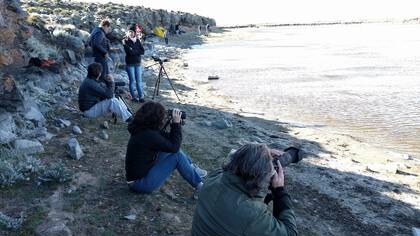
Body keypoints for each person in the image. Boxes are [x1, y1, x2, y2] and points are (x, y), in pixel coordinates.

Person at [192, 143, 297, 236]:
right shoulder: (252, 214)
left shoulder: (213, 178)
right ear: (260, 178)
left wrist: (259, 154)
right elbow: (290, 232)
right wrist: (279, 191)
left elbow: (232, 158)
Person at [125, 101, 207, 197]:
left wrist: (172, 124)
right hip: (139, 183)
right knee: (177, 155)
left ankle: (192, 169)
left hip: (140, 174)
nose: (163, 118)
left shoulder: (142, 128)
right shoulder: (148, 135)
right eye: (162, 117)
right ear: (155, 119)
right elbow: (174, 147)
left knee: (173, 151)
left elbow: (169, 142)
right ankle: (200, 187)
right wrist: (176, 124)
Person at [122, 24, 145, 103]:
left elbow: (143, 51)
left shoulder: (138, 41)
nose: (131, 33)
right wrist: (136, 51)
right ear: (127, 32)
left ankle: (141, 96)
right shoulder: (125, 41)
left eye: (132, 31)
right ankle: (133, 97)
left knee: (139, 81)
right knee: (132, 81)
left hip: (138, 63)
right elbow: (129, 52)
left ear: (135, 32)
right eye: (129, 32)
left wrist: (134, 50)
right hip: (130, 64)